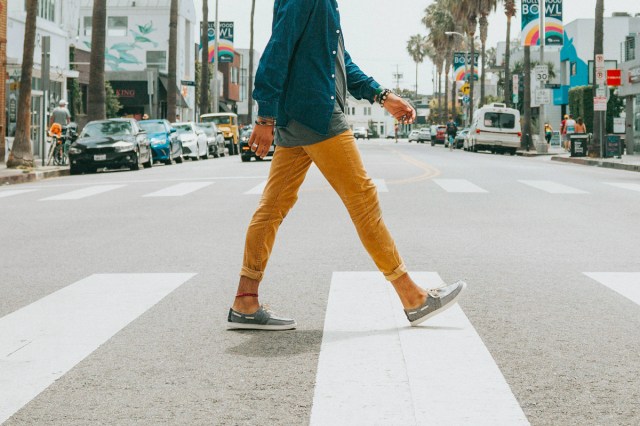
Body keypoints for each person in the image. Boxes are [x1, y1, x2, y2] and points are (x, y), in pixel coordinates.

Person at [227, 0, 466, 331]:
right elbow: (277, 50)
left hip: (299, 116)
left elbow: (341, 65)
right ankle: (413, 297)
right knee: (363, 199)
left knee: (271, 209)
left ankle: (245, 300)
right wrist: (264, 116)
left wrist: (382, 96)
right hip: (318, 116)